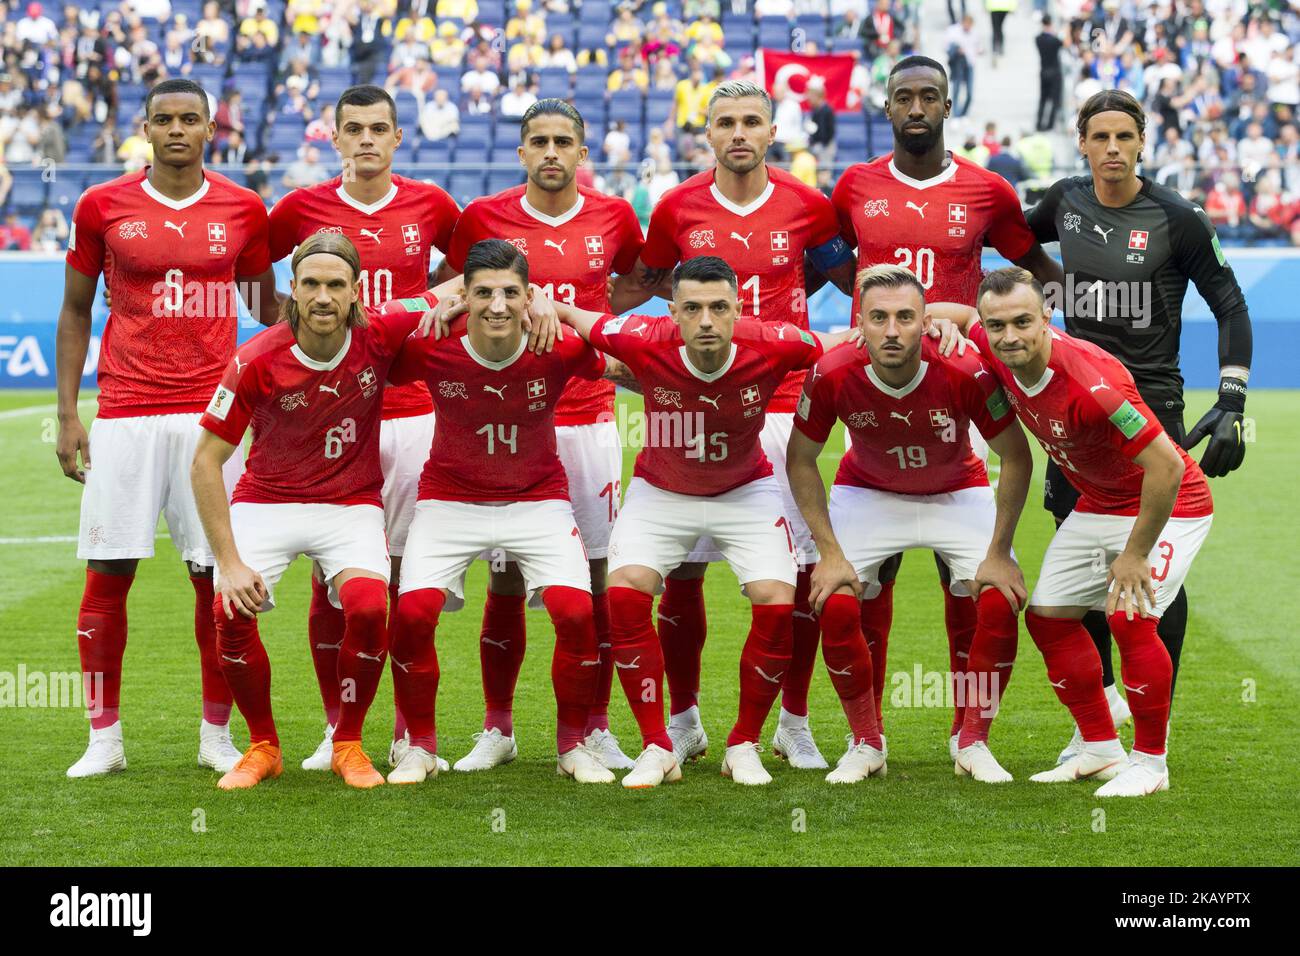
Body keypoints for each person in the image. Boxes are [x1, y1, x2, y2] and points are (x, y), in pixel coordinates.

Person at [612, 81, 858, 770]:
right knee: (680, 573)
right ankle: (684, 719)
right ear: (708, 133)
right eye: (726, 122)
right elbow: (648, 287)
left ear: (773, 129)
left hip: (782, 408)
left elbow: (853, 283)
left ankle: (793, 721)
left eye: (752, 120)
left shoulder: (810, 206)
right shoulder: (676, 207)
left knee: (801, 571)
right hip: (691, 410)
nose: (739, 132)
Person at [831, 55, 1063, 757]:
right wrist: (879, 310)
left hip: (961, 392)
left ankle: (969, 734)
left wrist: (1002, 324)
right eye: (904, 97)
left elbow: (1038, 274)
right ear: (887, 105)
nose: (917, 108)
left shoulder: (987, 190)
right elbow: (826, 258)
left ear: (948, 103)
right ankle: (866, 738)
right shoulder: (854, 185)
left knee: (968, 580)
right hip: (877, 382)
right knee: (868, 578)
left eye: (930, 96)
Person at [549, 256, 854, 786]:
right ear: (673, 312)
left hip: (745, 488)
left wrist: (935, 321)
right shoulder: (642, 335)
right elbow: (574, 314)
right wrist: (530, 303)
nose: (707, 320)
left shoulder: (777, 341)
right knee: (624, 593)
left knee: (776, 600)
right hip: (661, 489)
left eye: (718, 308)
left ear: (739, 309)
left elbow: (846, 341)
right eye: (693, 308)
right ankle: (657, 745)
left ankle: (744, 743)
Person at [56, 78, 279, 779]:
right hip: (124, 411)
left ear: (211, 129)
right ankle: (104, 738)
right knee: (108, 574)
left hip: (213, 419)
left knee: (216, 581)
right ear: (145, 129)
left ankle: (216, 733)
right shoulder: (101, 205)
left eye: (190, 119)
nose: (177, 129)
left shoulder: (244, 209)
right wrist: (69, 414)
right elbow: (73, 311)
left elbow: (268, 312)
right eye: (163, 119)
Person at [1020, 90, 1252, 764]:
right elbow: (1012, 241)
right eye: (1101, 137)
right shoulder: (1063, 203)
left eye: (1126, 136)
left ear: (1143, 142)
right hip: (1074, 415)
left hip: (1152, 409)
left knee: (1153, 576)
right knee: (1082, 568)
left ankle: (1155, 715)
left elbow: (1230, 303)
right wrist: (1053, 284)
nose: (1114, 149)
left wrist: (1233, 399)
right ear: (1082, 142)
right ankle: (1102, 712)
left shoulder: (1177, 218)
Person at [192, 234, 458, 790]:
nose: (321, 295)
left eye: (335, 284)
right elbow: (205, 462)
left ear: (356, 292)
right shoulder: (254, 359)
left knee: (365, 607)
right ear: (292, 288)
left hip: (349, 502)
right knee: (229, 612)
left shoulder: (380, 329)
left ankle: (348, 742)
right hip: (267, 501)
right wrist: (229, 560)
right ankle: (263, 745)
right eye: (310, 283)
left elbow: (451, 290)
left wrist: (532, 297)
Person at [438, 100, 646, 772]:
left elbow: (641, 281)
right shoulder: (484, 218)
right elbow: (450, 289)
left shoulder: (614, 217)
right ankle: (498, 728)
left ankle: (595, 725)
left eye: (564, 141)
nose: (551, 152)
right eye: (538, 142)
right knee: (503, 576)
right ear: (521, 152)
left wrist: (577, 313)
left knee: (592, 578)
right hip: (507, 418)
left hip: (586, 419)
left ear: (583, 152)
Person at [268, 85, 462, 773]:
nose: (367, 140)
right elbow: (260, 289)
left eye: (380, 129)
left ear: (398, 137)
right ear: (335, 137)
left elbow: (469, 273)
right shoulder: (298, 209)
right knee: (331, 578)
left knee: (406, 582)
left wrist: (422, 304)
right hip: (329, 418)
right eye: (354, 129)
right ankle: (336, 728)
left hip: (410, 415)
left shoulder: (432, 205)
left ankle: (413, 731)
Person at [386, 238, 629, 786]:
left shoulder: (558, 347)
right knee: (412, 614)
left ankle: (573, 746)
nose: (497, 305)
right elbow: (369, 360)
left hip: (537, 498)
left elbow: (624, 363)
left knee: (576, 613)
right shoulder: (431, 346)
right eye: (484, 293)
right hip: (449, 498)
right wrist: (420, 314)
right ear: (463, 298)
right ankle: (419, 746)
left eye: (510, 293)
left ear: (530, 300)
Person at [966, 267, 1214, 797]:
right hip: (1099, 501)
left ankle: (1151, 763)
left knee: (1129, 617)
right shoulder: (989, 344)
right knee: (1049, 617)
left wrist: (1134, 554)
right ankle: (1100, 746)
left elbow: (1167, 465)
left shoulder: (1092, 382)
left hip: (1170, 503)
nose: (1010, 336)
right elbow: (958, 317)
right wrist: (943, 324)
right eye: (996, 325)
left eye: (1022, 322)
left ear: (1048, 317)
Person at [787, 264, 1033, 782]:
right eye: (878, 317)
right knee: (833, 600)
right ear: (860, 321)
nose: (892, 330)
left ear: (927, 321)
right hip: (869, 491)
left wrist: (999, 552)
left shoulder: (965, 368)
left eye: (905, 317)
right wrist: (829, 553)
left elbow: (1015, 455)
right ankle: (866, 741)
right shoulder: (832, 370)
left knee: (998, 596)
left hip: (956, 490)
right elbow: (801, 460)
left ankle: (972, 741)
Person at [1036, 14, 1064, 131]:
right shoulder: (1054, 40)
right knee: (1054, 100)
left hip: (1044, 71)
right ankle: (1050, 125)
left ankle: (1039, 123)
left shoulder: (1038, 38)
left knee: (1043, 99)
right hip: (1054, 72)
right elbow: (1063, 43)